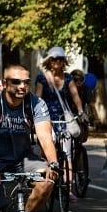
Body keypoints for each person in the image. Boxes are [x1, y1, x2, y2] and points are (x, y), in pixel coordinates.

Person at [0, 65, 59, 211]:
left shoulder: (36, 103)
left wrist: (53, 163)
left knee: (47, 182)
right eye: (16, 82)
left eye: (26, 82)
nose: (22, 86)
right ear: (5, 83)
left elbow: (45, 137)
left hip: (23, 159)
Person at [34, 46, 85, 201]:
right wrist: (35, 116)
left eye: (60, 59)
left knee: (67, 155)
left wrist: (81, 112)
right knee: (47, 154)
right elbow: (37, 97)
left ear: (64, 62)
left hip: (63, 120)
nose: (57, 62)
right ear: (49, 61)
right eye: (54, 59)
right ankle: (46, 185)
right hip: (46, 119)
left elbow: (75, 96)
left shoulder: (68, 78)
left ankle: (68, 190)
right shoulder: (42, 78)